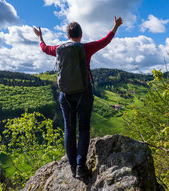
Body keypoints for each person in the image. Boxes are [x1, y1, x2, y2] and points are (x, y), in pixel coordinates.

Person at [33, 16, 123, 179]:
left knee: (69, 129)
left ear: (68, 36)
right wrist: (115, 26)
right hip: (84, 92)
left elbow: (44, 48)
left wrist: (40, 37)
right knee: (83, 129)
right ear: (80, 35)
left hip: (65, 94)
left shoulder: (59, 49)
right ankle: (81, 166)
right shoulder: (85, 48)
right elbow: (105, 40)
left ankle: (73, 167)